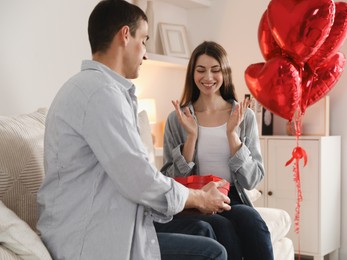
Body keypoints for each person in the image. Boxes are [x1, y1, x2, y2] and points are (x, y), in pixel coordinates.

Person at [36, 1, 231, 259]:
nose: (146, 53)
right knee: (213, 253)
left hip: (109, 220)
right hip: (91, 237)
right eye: (144, 40)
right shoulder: (101, 93)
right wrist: (197, 198)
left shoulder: (98, 89)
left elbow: (135, 176)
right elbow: (140, 180)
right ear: (125, 35)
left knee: (203, 229)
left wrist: (192, 198)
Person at [154, 41, 274, 260]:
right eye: (201, 70)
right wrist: (190, 138)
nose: (208, 77)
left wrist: (232, 136)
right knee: (222, 228)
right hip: (194, 199)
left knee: (253, 221)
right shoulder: (177, 119)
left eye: (215, 70)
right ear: (192, 74)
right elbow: (168, 179)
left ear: (224, 73)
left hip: (232, 199)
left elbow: (253, 179)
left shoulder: (243, 116)